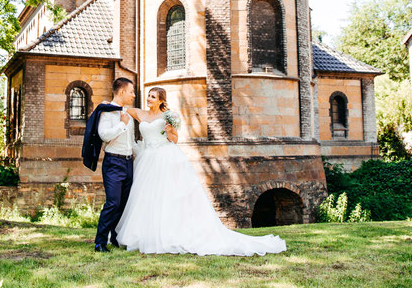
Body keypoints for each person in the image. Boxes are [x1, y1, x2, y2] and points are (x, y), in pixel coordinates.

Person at [115, 87, 287, 256]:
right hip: (147, 159)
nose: (149, 99)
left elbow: (174, 140)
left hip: (165, 156)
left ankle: (169, 234)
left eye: (153, 97)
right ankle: (146, 234)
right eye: (149, 96)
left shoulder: (168, 116)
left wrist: (169, 131)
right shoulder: (141, 114)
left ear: (161, 100)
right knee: (147, 197)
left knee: (168, 196)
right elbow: (120, 108)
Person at [89, 77, 140, 252]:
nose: (133, 95)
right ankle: (100, 242)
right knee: (113, 202)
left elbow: (131, 143)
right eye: (131, 91)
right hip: (113, 162)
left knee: (124, 203)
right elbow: (104, 135)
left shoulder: (127, 115)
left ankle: (116, 237)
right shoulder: (107, 112)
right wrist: (122, 124)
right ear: (122, 92)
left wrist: (148, 154)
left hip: (127, 163)